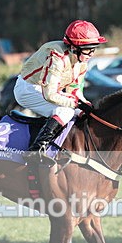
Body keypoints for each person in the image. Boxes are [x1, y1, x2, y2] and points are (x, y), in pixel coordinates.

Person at [14, 20, 106, 158]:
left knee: (80, 112)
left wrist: (85, 104)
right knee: (65, 111)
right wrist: (75, 103)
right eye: (88, 49)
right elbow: (50, 94)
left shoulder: (81, 63)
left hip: (45, 90)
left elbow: (74, 90)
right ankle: (36, 150)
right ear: (75, 48)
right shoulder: (58, 58)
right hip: (28, 88)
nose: (91, 53)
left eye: (94, 48)